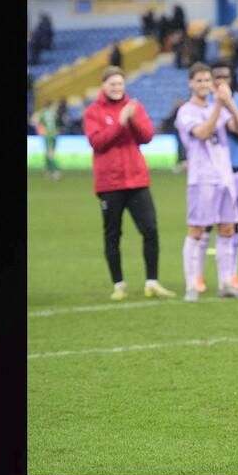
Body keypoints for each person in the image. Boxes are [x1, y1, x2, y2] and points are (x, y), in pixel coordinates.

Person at [83, 66, 175, 300]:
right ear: (104, 85)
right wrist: (119, 123)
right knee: (113, 235)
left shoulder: (135, 107)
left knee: (150, 229)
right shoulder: (93, 111)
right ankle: (119, 285)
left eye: (120, 84)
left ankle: (152, 282)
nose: (116, 88)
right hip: (109, 183)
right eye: (112, 84)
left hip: (136, 180)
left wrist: (130, 120)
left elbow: (147, 136)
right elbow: (97, 142)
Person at [175, 61, 238, 301]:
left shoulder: (217, 107)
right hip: (202, 179)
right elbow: (204, 133)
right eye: (198, 80)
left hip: (225, 178)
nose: (203, 84)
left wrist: (229, 102)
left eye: (207, 80)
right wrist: (219, 106)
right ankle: (191, 286)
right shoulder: (186, 111)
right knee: (197, 229)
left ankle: (225, 283)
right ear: (190, 83)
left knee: (228, 228)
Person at [31, 100, 62, 180]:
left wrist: (39, 129)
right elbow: (58, 124)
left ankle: (55, 171)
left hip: (47, 134)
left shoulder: (42, 112)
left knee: (49, 153)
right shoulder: (54, 113)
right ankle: (49, 170)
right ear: (50, 106)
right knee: (50, 152)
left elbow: (34, 121)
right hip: (54, 134)